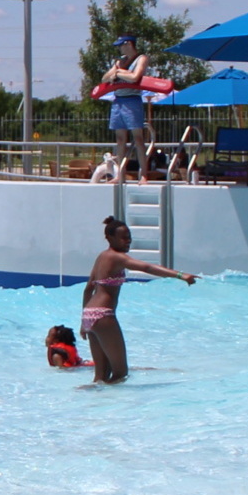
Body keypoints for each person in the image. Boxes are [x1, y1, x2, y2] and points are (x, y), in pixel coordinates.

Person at [78, 215, 195, 382]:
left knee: (100, 376)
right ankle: (115, 405)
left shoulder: (102, 256)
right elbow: (147, 267)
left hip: (90, 314)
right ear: (110, 238)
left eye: (129, 237)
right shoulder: (118, 257)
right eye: (124, 238)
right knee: (120, 373)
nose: (128, 241)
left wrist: (83, 322)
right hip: (103, 315)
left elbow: (88, 289)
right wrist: (180, 275)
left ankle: (90, 401)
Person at [100, 34, 157, 181]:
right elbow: (105, 78)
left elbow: (135, 77)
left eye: (121, 45)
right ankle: (121, 174)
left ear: (129, 44)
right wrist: (121, 72)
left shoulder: (141, 58)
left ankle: (143, 174)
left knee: (138, 138)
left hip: (132, 100)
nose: (119, 48)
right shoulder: (119, 61)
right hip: (118, 100)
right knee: (120, 139)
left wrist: (118, 72)